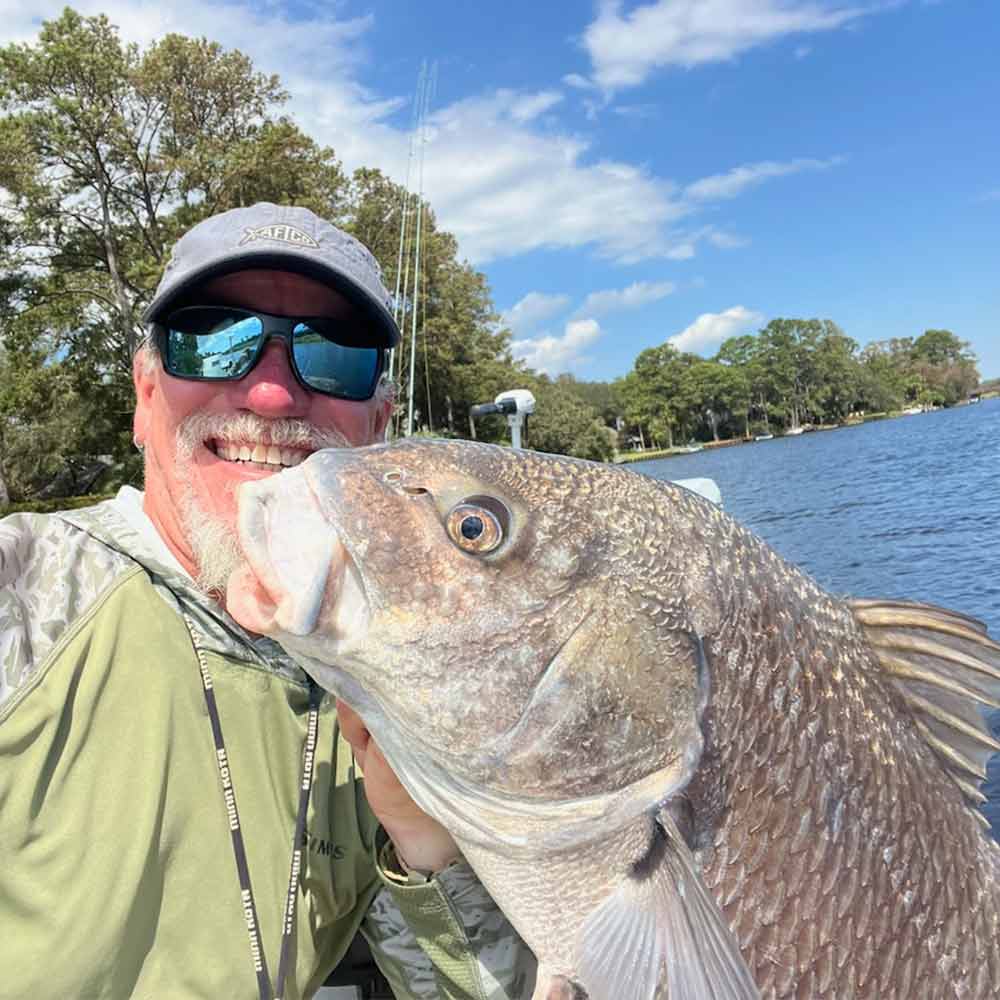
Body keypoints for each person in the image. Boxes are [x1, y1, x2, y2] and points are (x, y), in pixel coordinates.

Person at [0, 203, 536, 999]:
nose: (275, 395)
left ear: (377, 426)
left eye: (335, 355)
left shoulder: (400, 667)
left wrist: (424, 839)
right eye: (212, 338)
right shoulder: (23, 591)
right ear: (146, 395)